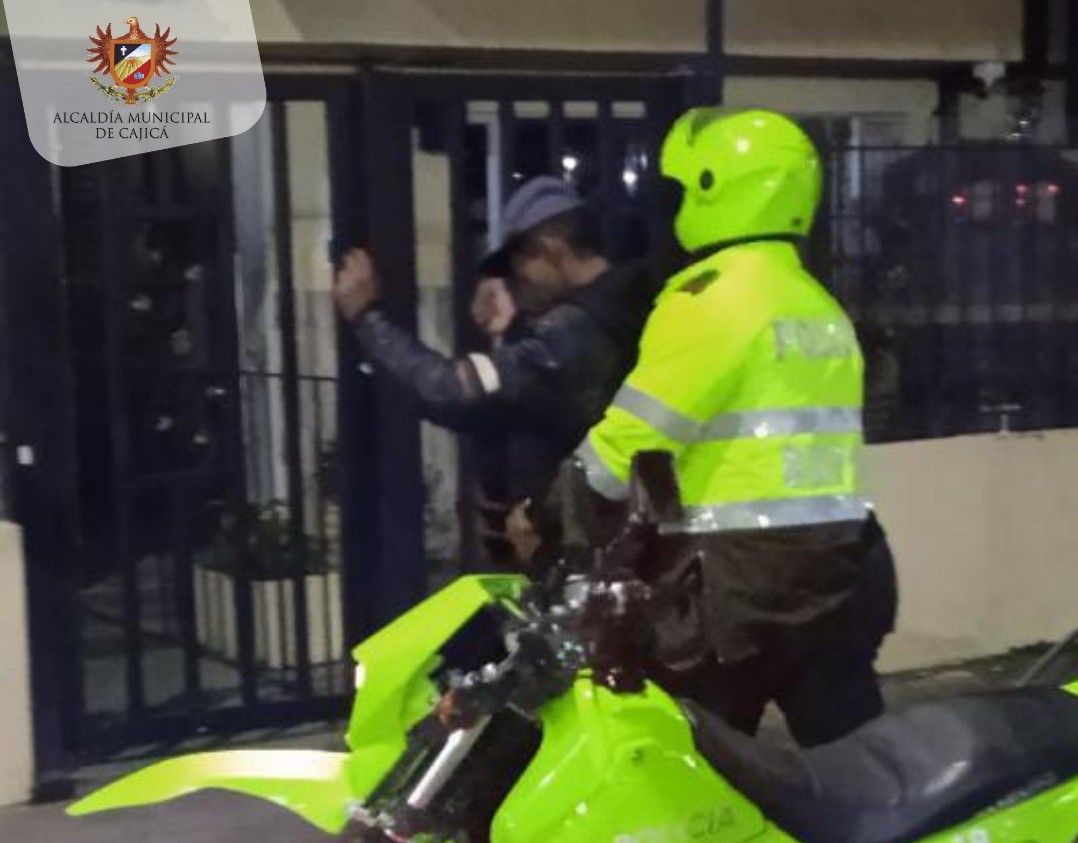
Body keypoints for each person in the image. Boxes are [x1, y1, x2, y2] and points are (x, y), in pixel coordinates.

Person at [573, 108, 898, 747]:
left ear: (714, 187)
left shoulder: (711, 299)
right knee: (862, 769)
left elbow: (632, 441)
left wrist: (554, 508)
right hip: (837, 573)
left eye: (681, 189)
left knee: (689, 767)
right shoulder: (819, 305)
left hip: (734, 590)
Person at [332, 177, 652, 564]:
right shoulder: (622, 312)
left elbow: (451, 391)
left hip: (589, 556)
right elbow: (520, 408)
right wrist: (513, 330)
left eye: (518, 267)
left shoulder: (571, 337)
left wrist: (366, 319)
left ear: (550, 249)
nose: (515, 283)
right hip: (614, 545)